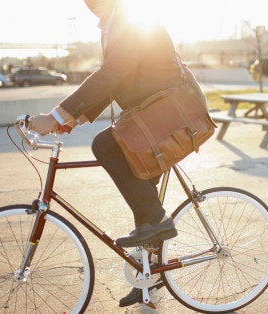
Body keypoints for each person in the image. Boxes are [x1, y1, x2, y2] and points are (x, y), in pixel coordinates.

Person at [29, 0, 197, 306]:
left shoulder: (130, 21)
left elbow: (110, 74)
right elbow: (113, 80)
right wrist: (71, 120)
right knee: (143, 200)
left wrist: (55, 117)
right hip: (151, 116)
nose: (93, 6)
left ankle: (157, 224)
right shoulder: (115, 23)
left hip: (167, 112)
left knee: (104, 146)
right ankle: (151, 275)